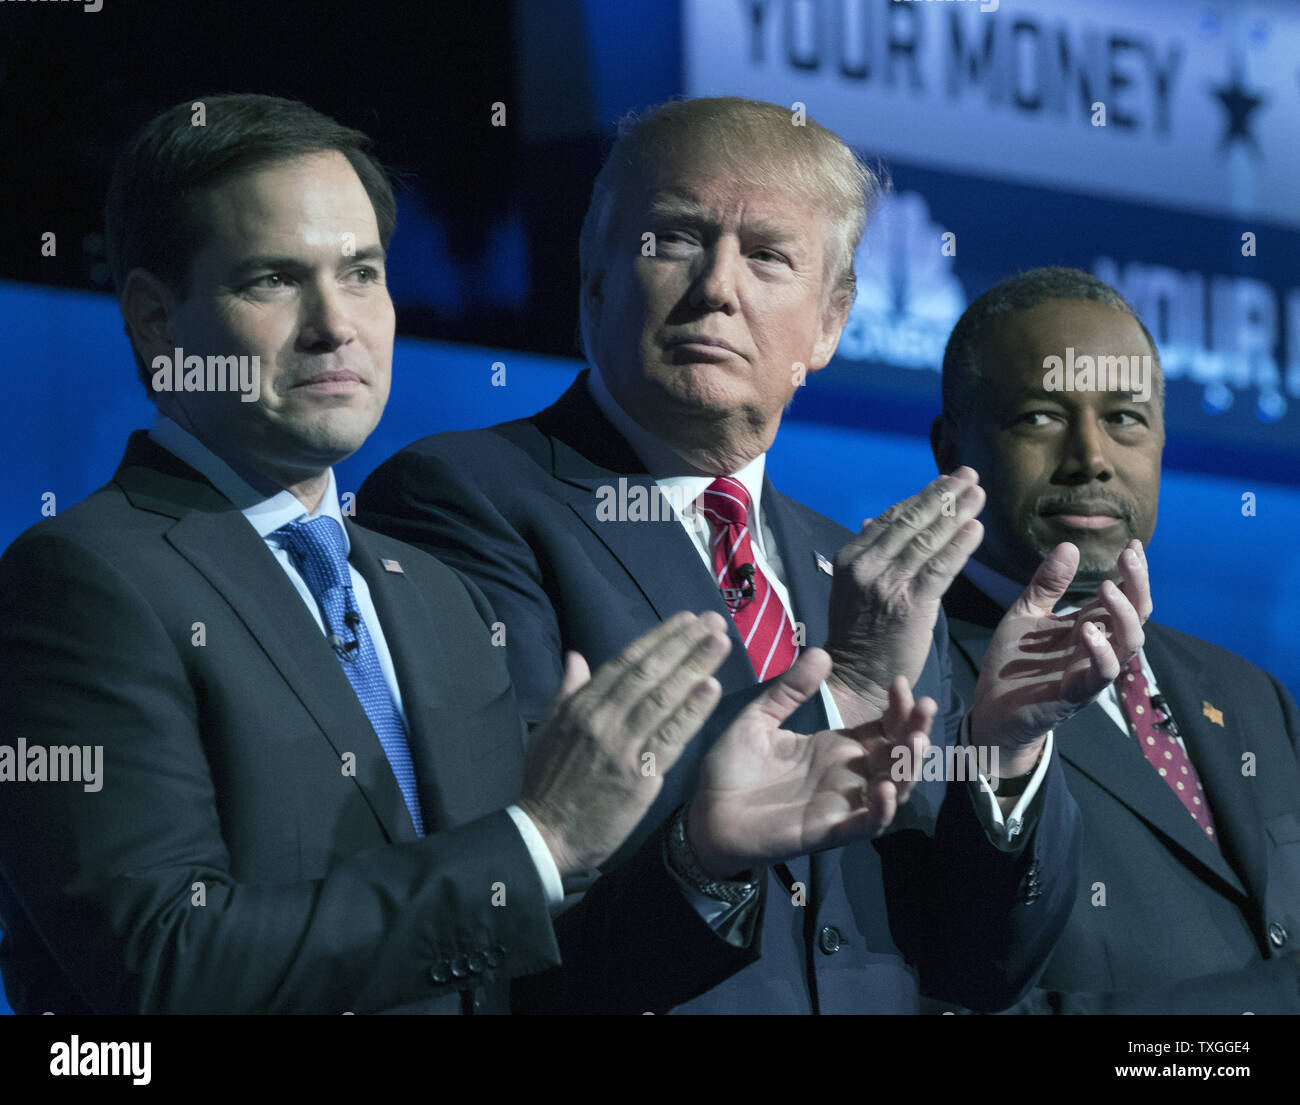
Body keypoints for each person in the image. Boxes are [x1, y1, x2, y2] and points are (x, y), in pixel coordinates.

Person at [0, 94, 939, 1016]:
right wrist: (541, 839)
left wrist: (700, 853)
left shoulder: (424, 593)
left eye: (363, 273)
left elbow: (535, 981)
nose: (337, 323)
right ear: (157, 324)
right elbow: (161, 965)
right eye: (273, 280)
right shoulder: (82, 579)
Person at [359, 98, 1148, 1013]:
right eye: (675, 240)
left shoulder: (857, 566)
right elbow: (502, 901)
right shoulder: (465, 497)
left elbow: (977, 971)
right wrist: (838, 696)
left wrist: (1003, 753)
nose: (717, 287)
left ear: (829, 323)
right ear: (597, 281)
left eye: (768, 255)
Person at [930, 265, 1300, 1013]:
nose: (1090, 456)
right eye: (1040, 415)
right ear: (951, 449)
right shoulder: (907, 685)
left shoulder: (1248, 692)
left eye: (1125, 418)